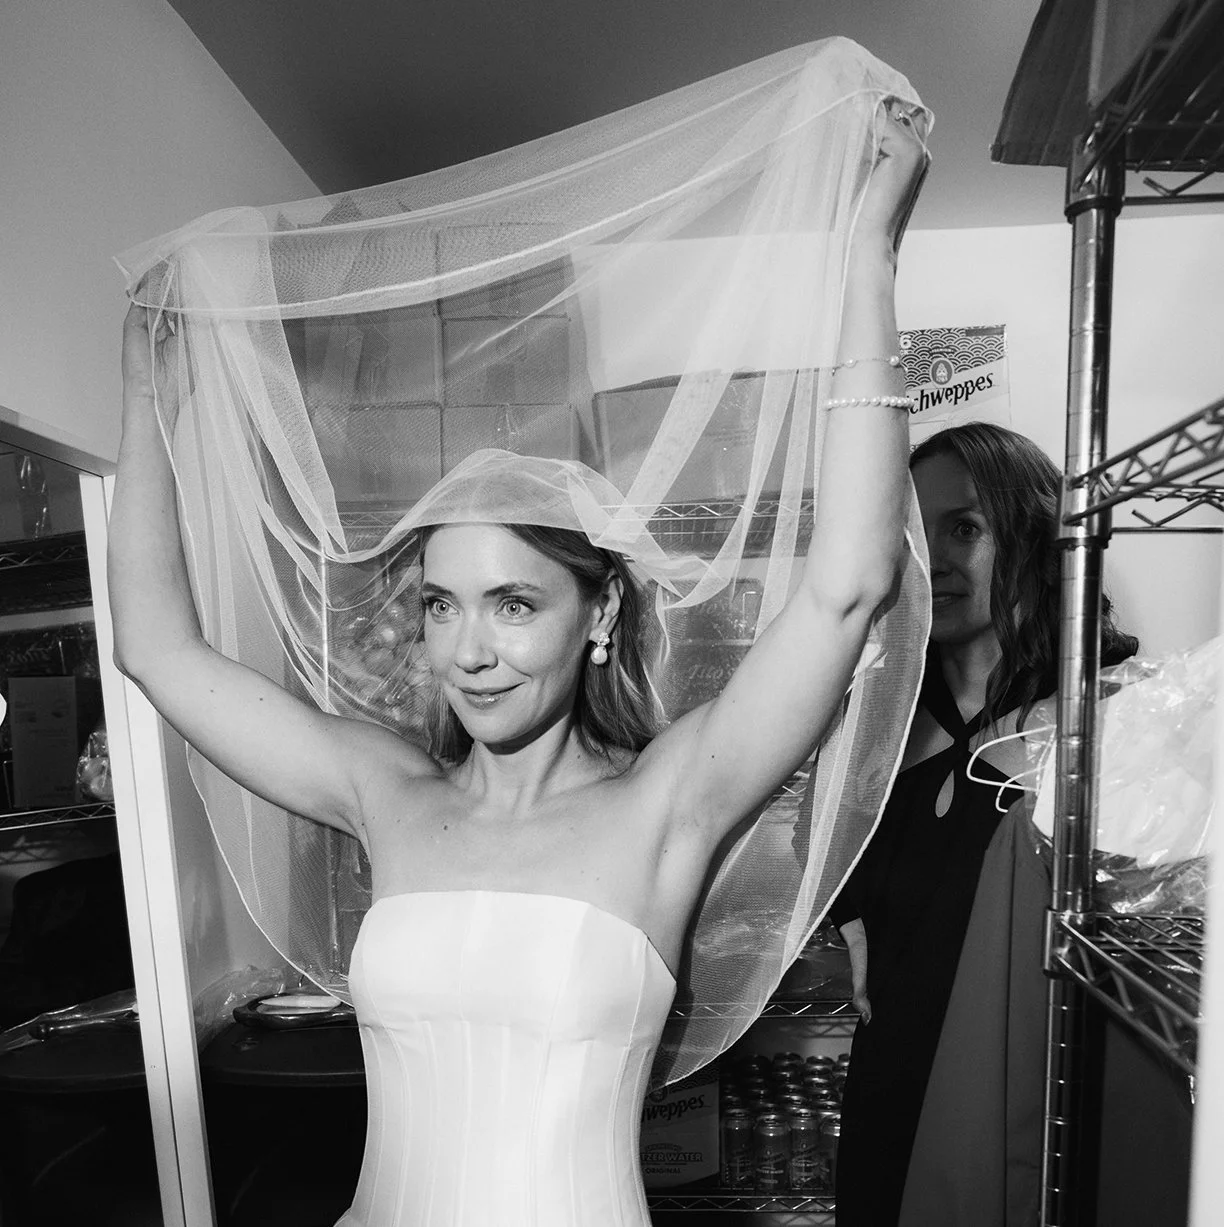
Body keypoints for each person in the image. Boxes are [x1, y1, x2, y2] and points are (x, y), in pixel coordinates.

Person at [111, 108, 925, 1227]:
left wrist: (867, 259)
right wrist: (150, 401)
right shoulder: (382, 790)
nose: (470, 650)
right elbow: (156, 648)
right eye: (443, 606)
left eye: (514, 604)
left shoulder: (670, 802)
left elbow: (845, 587)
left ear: (597, 618)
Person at [831, 421, 1138, 1227]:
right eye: (916, 535)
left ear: (1030, 534)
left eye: (964, 527)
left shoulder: (1102, 706)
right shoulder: (884, 711)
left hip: (1032, 1098)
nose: (934, 559)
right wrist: (853, 912)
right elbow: (818, 835)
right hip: (894, 1081)